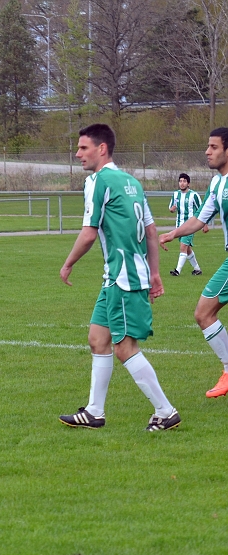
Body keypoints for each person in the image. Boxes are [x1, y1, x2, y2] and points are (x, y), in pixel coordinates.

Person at [59, 123, 180, 432]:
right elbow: (151, 231)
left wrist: (68, 263)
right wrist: (154, 273)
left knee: (124, 348)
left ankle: (165, 411)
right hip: (117, 277)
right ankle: (95, 411)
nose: (78, 154)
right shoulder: (131, 182)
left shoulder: (97, 181)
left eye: (83, 148)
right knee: (97, 339)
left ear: (102, 149)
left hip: (123, 279)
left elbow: (88, 234)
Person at [158, 127, 228, 398]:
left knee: (203, 313)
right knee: (204, 313)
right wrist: (172, 233)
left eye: (213, 147)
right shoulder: (216, 183)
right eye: (207, 146)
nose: (207, 151)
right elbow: (200, 219)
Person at [167, 172, 207, 276]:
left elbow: (202, 209)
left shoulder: (194, 195)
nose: (182, 183)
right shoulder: (176, 194)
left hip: (190, 226)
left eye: (184, 181)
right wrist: (172, 209)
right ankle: (197, 269)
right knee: (187, 248)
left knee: (183, 247)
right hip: (179, 225)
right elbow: (171, 208)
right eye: (180, 181)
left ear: (188, 183)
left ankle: (177, 271)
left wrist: (205, 224)